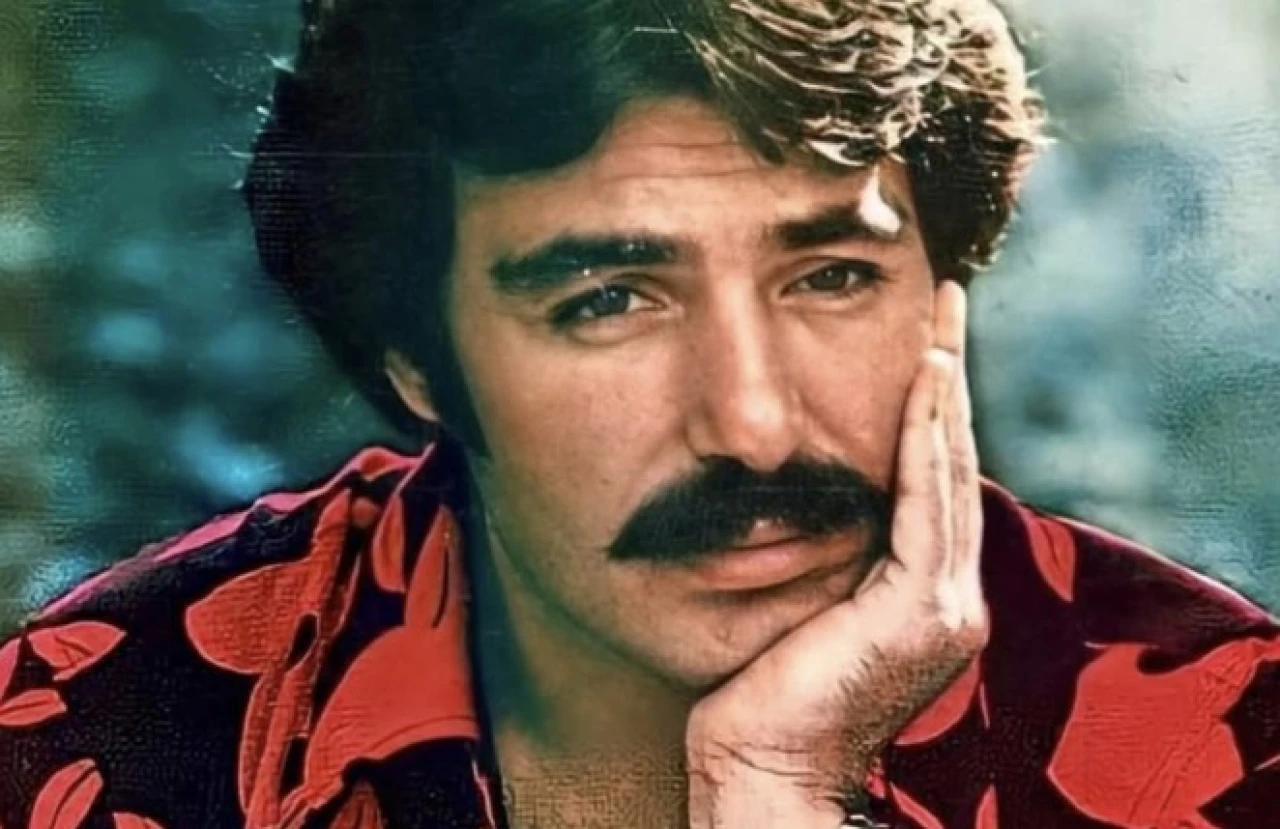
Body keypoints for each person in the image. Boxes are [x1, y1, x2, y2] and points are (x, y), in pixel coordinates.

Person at [1, 0, 1277, 826]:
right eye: (607, 300)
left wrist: (778, 791)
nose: (754, 426)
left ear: (939, 302)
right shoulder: (99, 731)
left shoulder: (1217, 741)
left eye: (830, 277)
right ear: (417, 364)